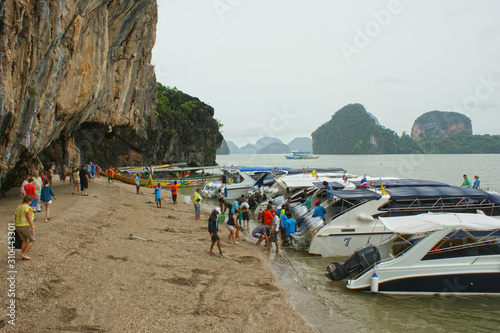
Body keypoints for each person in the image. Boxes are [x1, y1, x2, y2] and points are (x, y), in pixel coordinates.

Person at [15, 195, 36, 260]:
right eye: (30, 201)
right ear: (28, 201)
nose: (31, 203)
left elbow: (16, 217)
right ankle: (24, 253)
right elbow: (29, 218)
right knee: (32, 240)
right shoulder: (27, 208)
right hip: (25, 226)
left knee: (23, 241)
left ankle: (23, 253)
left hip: (18, 225)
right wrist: (32, 227)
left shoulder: (18, 207)